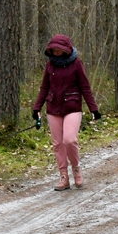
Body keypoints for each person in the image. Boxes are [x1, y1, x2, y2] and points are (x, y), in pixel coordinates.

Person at [32, 34, 102, 190]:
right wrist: (37, 108)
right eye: (54, 50)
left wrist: (94, 109)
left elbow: (85, 87)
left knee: (69, 140)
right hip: (53, 108)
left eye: (59, 49)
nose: (56, 52)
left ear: (66, 49)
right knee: (58, 144)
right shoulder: (50, 65)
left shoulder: (76, 63)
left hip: (72, 107)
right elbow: (44, 87)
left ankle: (76, 170)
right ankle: (63, 177)